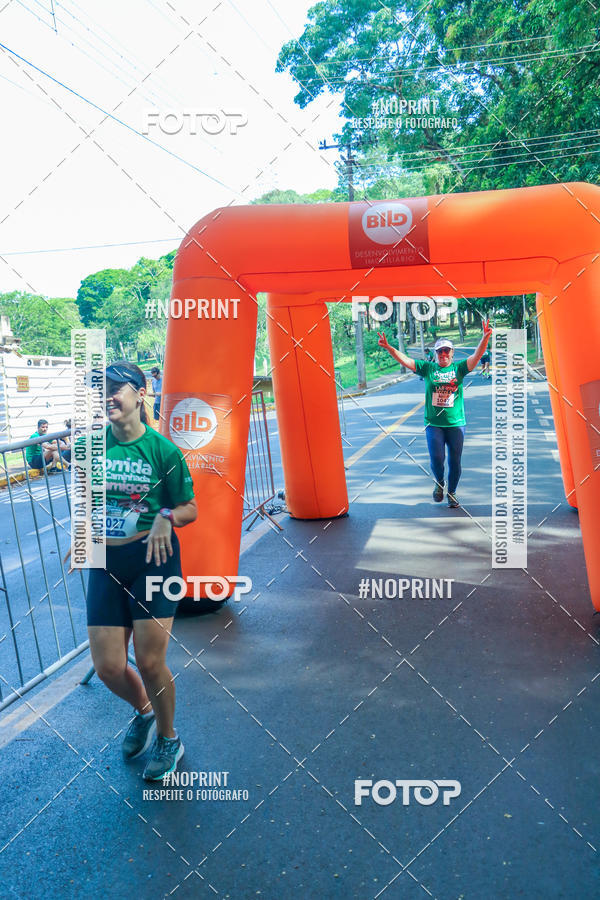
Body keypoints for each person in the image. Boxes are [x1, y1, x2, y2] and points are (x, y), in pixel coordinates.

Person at [82, 361, 197, 781]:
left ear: (141, 394)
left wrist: (167, 515)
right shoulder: (91, 448)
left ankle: (169, 738)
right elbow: (90, 503)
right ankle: (144, 711)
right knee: (109, 667)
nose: (108, 396)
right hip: (106, 565)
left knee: (149, 662)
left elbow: (190, 508)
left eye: (117, 388)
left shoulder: (162, 450)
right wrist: (84, 535)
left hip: (153, 563)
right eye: (103, 390)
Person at [377, 320, 492, 508]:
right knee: (437, 458)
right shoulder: (428, 368)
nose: (443, 354)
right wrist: (389, 348)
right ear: (436, 354)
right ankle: (439, 482)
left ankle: (452, 493)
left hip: (456, 423)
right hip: (434, 424)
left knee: (455, 461)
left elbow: (477, 355)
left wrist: (485, 337)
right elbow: (406, 360)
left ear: (452, 353)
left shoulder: (459, 368)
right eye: (440, 351)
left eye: (447, 350)